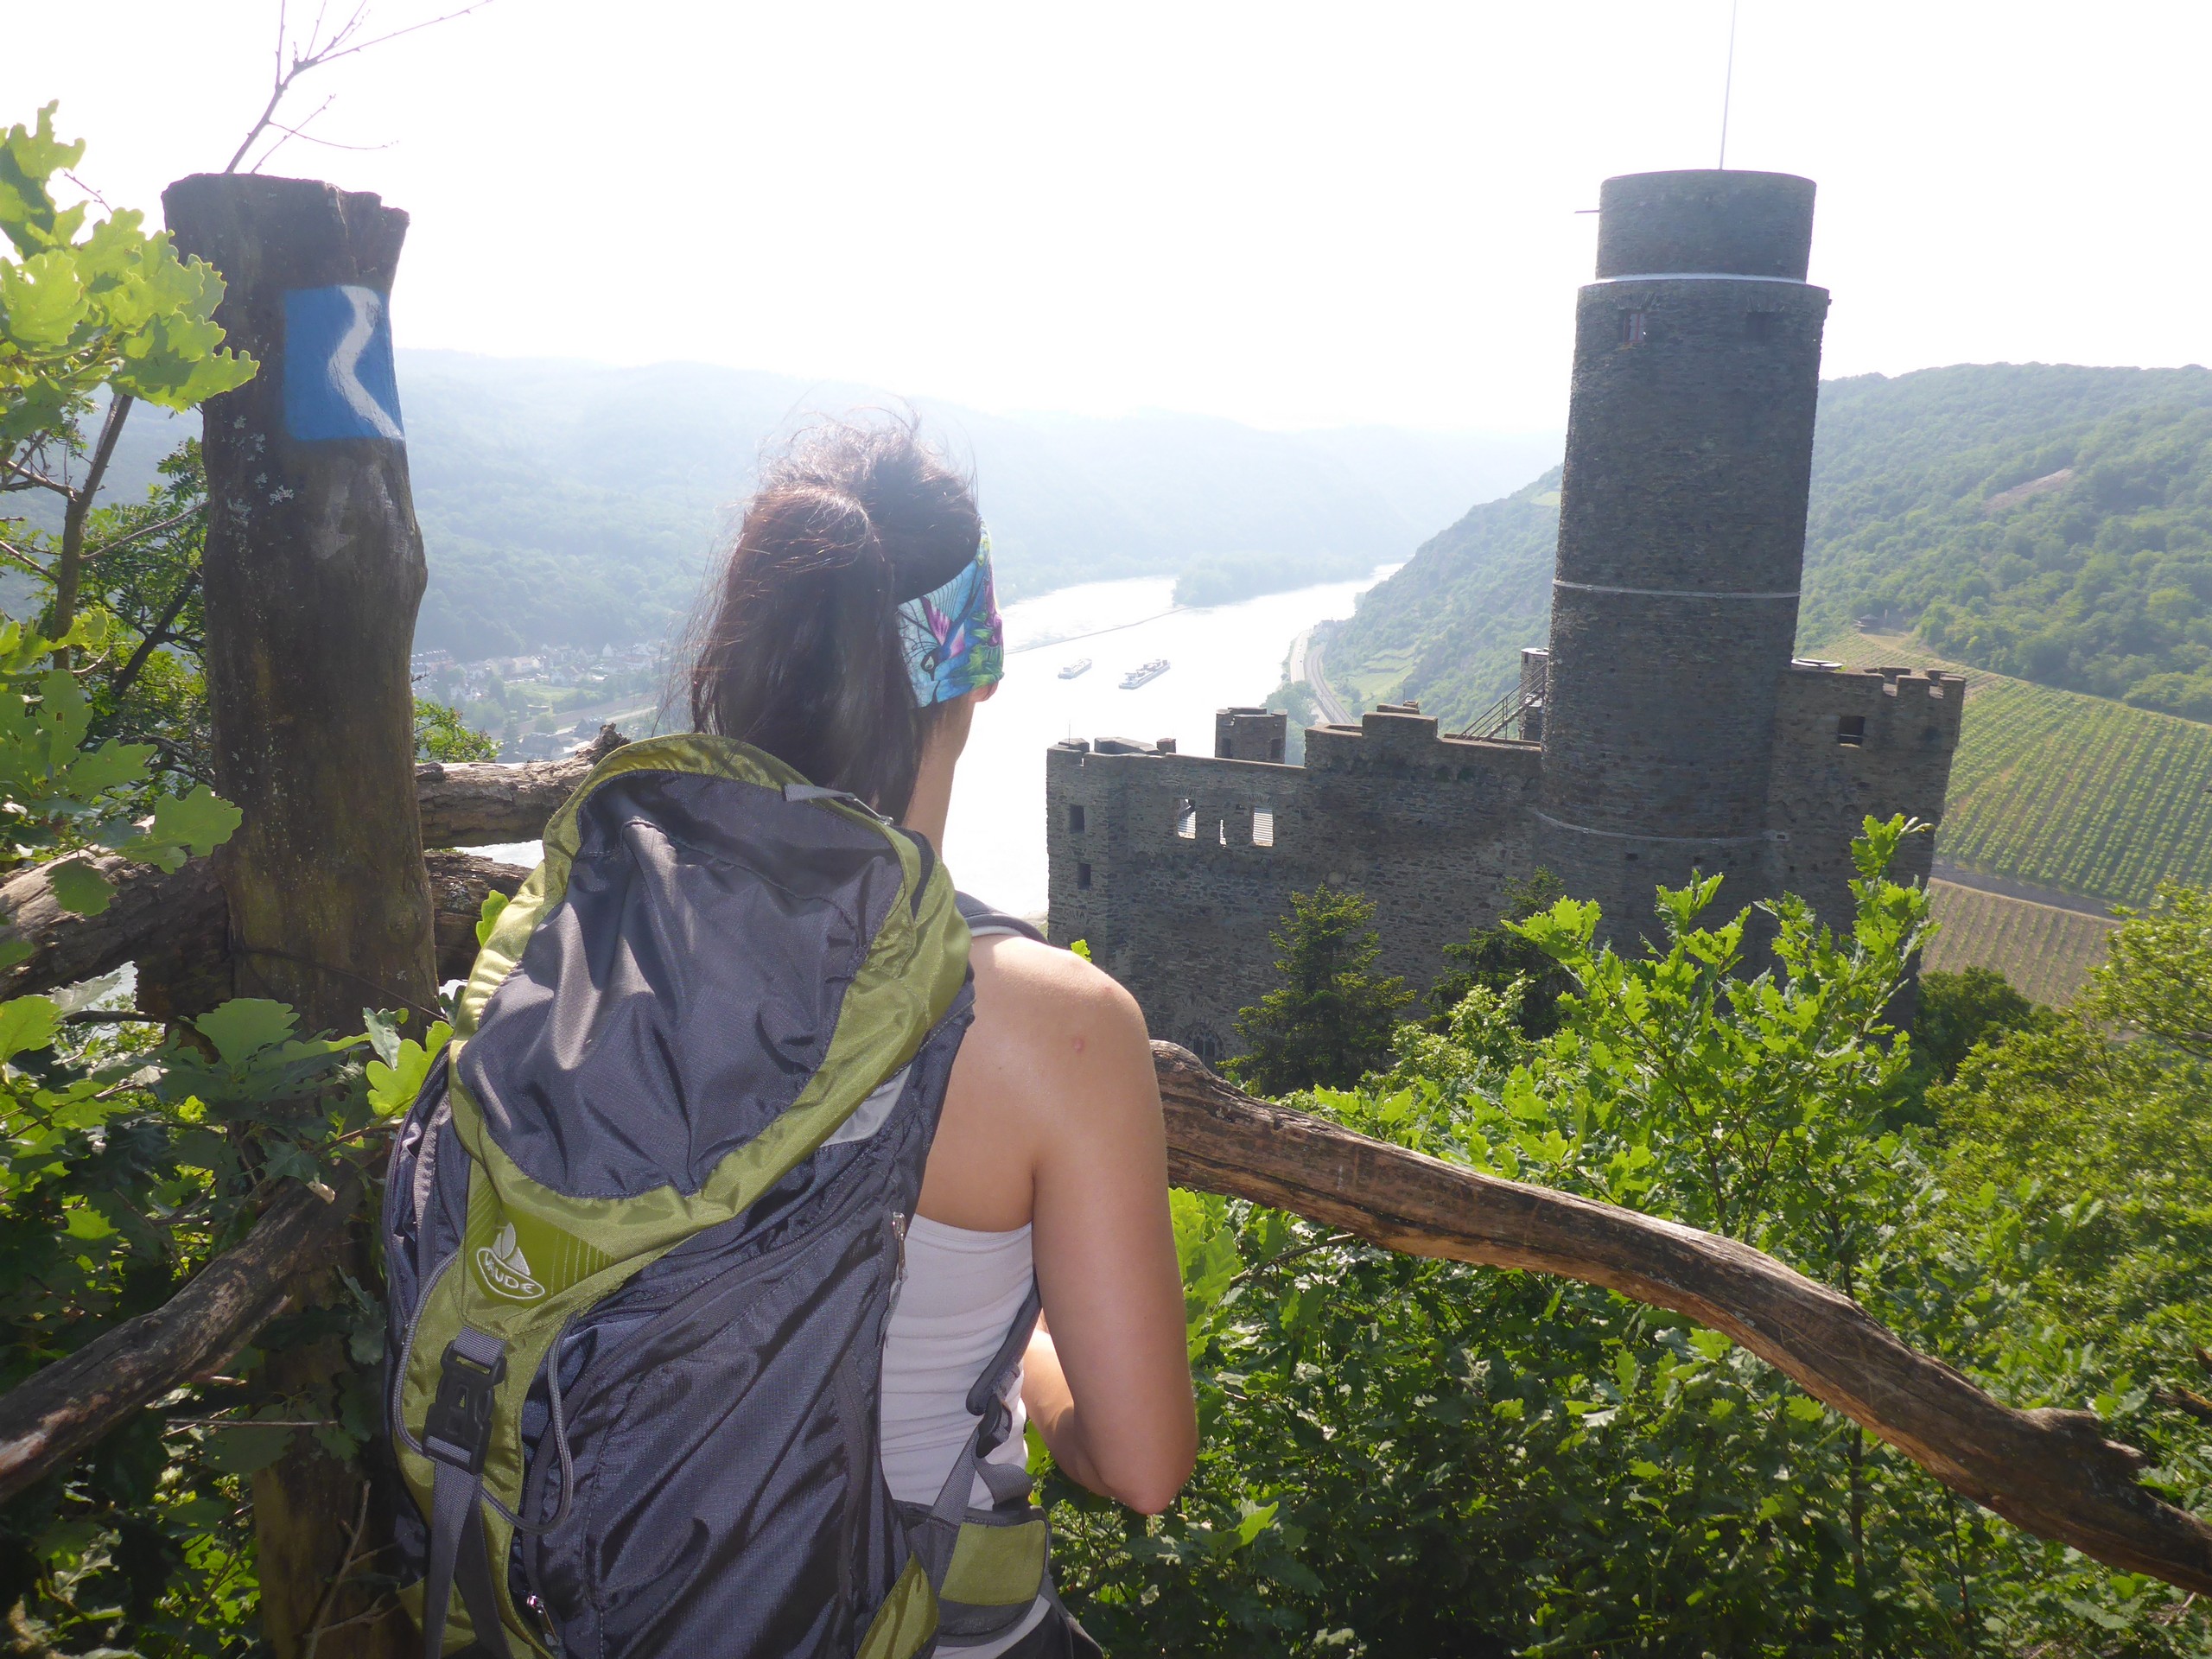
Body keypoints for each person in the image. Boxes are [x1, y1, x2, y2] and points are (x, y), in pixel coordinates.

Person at [687, 418, 1197, 1655]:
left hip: (615, 1585)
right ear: (980, 658)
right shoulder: (1050, 1024)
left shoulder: (587, 954)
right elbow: (1140, 1464)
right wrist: (1028, 1352)